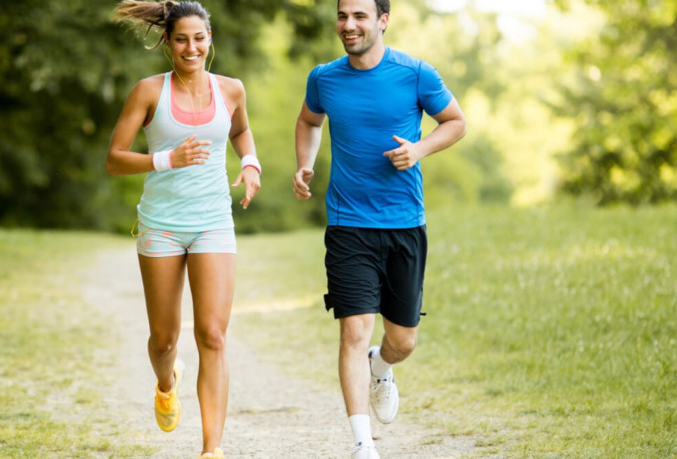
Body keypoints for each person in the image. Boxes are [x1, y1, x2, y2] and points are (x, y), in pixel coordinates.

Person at [292, 0, 466, 458]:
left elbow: (456, 122)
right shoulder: (323, 78)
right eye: (343, 16)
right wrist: (305, 165)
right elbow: (310, 120)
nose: (348, 26)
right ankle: (362, 443)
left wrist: (420, 149)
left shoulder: (416, 74)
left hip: (404, 224)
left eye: (360, 16)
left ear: (382, 21)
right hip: (348, 225)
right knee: (353, 331)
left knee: (402, 341)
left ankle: (382, 367)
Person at [107, 1, 261, 458]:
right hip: (162, 225)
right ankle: (165, 379)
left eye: (199, 38)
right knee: (165, 339)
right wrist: (166, 159)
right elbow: (115, 159)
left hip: (214, 221)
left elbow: (240, 132)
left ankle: (211, 450)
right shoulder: (148, 92)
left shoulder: (231, 90)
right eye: (181, 39)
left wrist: (250, 163)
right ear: (168, 43)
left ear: (209, 39)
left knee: (212, 334)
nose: (190, 47)